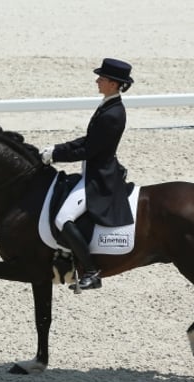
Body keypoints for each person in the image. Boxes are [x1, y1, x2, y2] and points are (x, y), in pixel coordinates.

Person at [40, 58, 135, 290]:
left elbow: (89, 149)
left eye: (101, 78)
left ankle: (91, 272)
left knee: (63, 219)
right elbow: (88, 140)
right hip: (91, 170)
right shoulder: (108, 105)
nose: (97, 81)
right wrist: (56, 149)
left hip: (99, 177)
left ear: (113, 84)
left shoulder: (113, 114)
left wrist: (56, 156)